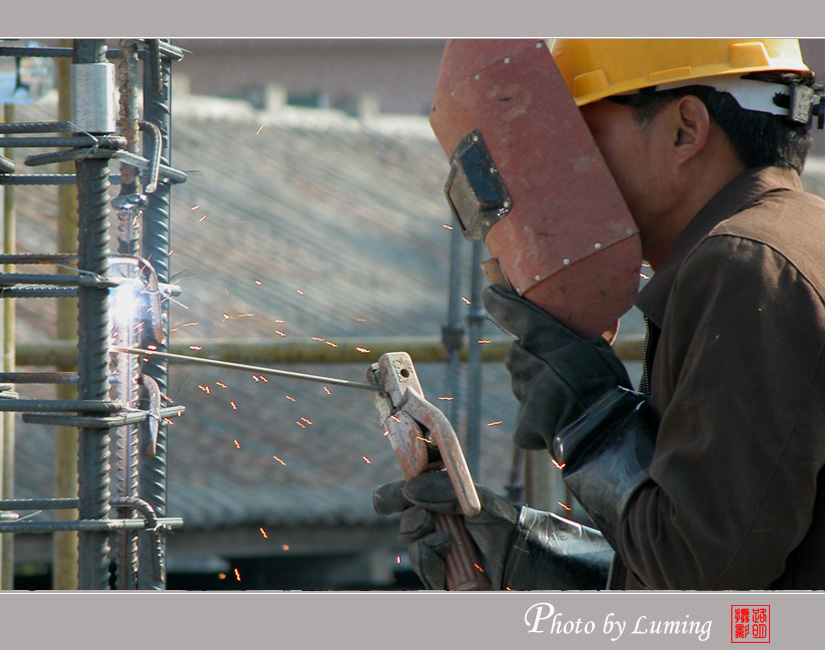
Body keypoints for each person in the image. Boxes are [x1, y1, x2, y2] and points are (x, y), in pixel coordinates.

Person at [372, 38, 825, 590]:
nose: (565, 169)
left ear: (686, 129)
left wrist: (590, 415)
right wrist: (528, 557)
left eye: (582, 137)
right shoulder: (788, 244)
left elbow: (701, 579)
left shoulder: (743, 266)